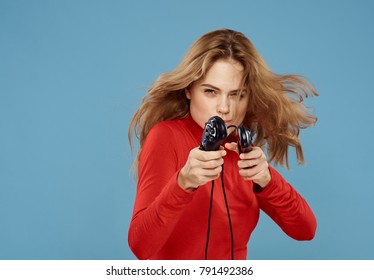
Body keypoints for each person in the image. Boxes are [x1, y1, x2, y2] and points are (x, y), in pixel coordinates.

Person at [127, 29, 318, 260]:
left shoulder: (242, 150)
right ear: (189, 89)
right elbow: (141, 246)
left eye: (237, 94)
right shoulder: (166, 137)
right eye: (210, 91)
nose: (225, 108)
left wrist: (267, 180)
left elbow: (305, 230)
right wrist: (182, 183)